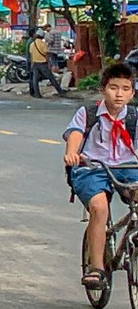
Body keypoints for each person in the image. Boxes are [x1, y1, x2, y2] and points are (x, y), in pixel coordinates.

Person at [63, 61, 138, 292]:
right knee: (99, 208)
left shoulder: (134, 116)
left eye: (125, 89)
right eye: (114, 87)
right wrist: (72, 154)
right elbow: (75, 134)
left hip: (128, 167)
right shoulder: (89, 113)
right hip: (92, 168)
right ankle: (96, 267)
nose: (119, 94)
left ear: (132, 92)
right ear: (103, 89)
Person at [28, 28, 54, 98]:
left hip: (35, 63)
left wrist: (32, 64)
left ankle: (37, 94)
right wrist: (49, 63)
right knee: (51, 78)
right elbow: (46, 54)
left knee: (35, 80)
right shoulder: (43, 43)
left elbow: (31, 55)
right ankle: (60, 91)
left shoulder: (32, 44)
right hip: (43, 63)